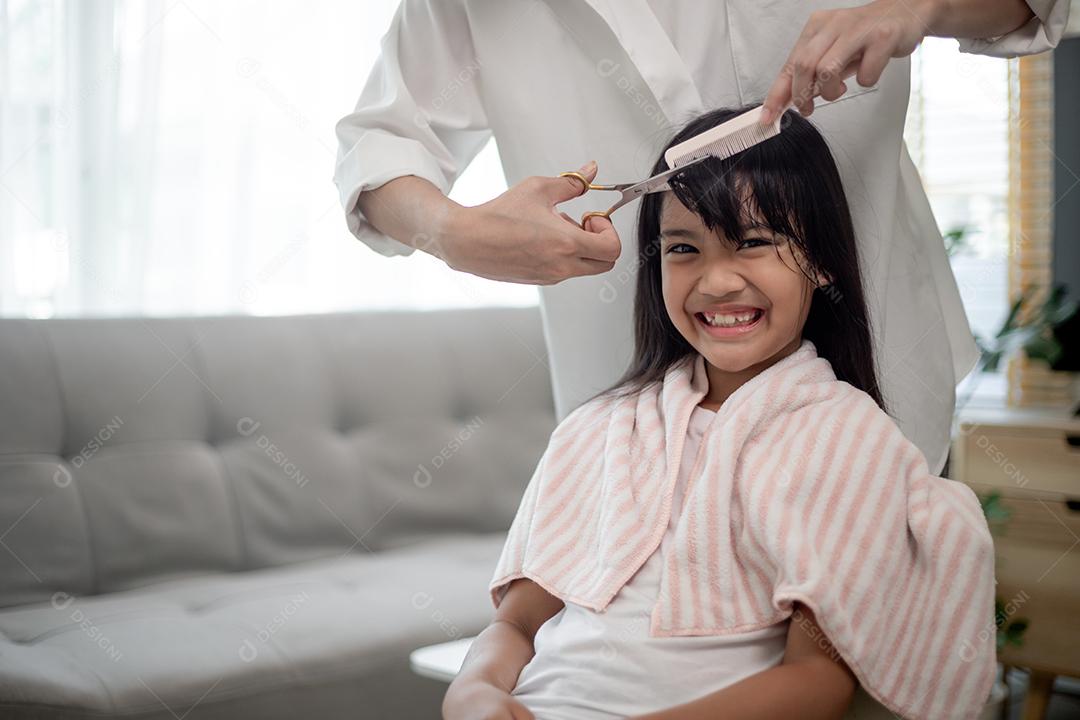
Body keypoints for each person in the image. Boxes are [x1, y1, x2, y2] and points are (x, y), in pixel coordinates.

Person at [333, 0, 1070, 478]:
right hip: (633, 431)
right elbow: (384, 136)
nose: (722, 276)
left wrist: (926, 4)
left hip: (882, 372)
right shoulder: (593, 456)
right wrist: (455, 234)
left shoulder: (867, 453)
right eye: (686, 247)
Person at [442, 107, 997, 720]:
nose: (716, 281)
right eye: (683, 248)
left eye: (755, 242)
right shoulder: (599, 429)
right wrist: (474, 691)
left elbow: (818, 682)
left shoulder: (846, 438)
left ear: (823, 260)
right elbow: (515, 626)